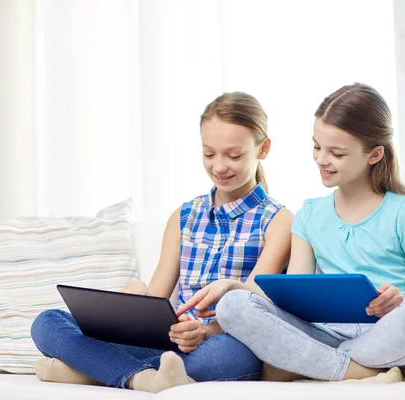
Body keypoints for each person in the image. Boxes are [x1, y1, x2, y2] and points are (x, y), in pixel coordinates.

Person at [178, 83, 405, 383]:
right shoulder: (309, 214)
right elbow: (291, 296)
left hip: (385, 331)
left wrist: (398, 300)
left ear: (374, 154)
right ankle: (358, 372)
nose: (322, 159)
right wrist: (231, 285)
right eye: (317, 147)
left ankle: (332, 366)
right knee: (232, 305)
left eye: (336, 153)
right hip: (323, 334)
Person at [30, 92, 293, 392]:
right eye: (209, 154)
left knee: (228, 357)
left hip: (224, 342)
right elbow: (157, 296)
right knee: (46, 322)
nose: (219, 166)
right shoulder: (183, 216)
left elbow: (256, 303)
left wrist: (206, 332)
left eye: (233, 155)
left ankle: (92, 370)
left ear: (264, 148)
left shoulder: (278, 220)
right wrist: (130, 304)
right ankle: (143, 379)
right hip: (168, 344)